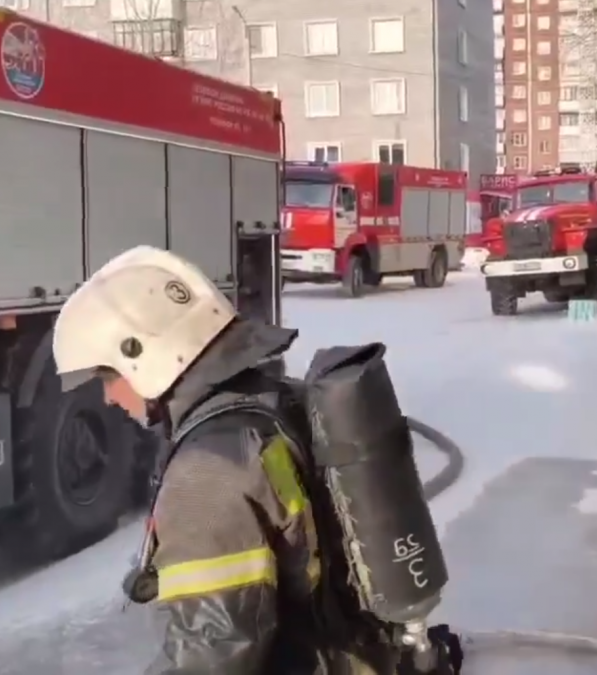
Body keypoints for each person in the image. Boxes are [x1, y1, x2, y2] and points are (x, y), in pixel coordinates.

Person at [51, 245, 462, 675]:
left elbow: (214, 656)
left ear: (142, 357)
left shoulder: (206, 475)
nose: (107, 397)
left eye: (108, 376)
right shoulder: (276, 402)